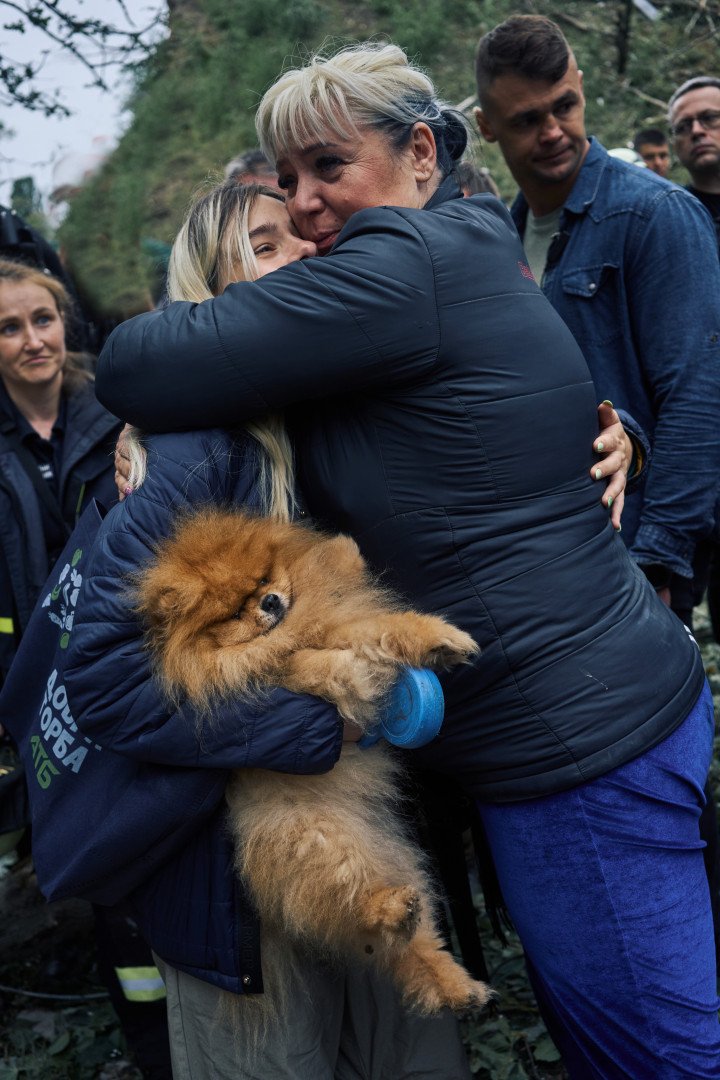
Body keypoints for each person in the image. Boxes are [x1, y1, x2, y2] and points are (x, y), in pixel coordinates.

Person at [80, 41, 720, 1077]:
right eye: (285, 184)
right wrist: (620, 431)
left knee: (656, 1055)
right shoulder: (463, 244)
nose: (308, 205)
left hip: (576, 748)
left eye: (329, 168)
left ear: (420, 153)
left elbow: (134, 362)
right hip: (593, 716)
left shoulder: (401, 265)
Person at [62, 179, 476, 1080]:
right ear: (210, 298)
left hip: (361, 847)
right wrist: (327, 726)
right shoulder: (190, 454)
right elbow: (101, 683)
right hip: (233, 887)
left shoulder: (320, 419)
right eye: (266, 242)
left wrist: (621, 434)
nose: (303, 254)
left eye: (304, 240)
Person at [474, 15, 720, 633]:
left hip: (634, 560)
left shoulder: (654, 215)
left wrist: (660, 562)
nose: (555, 132)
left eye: (566, 106)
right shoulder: (499, 242)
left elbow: (698, 394)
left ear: (580, 85)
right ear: (486, 126)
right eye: (528, 120)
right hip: (544, 558)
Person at [0, 258, 172, 1080]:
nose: (33, 340)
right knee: (100, 878)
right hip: (39, 697)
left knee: (158, 847)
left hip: (130, 672)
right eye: (9, 327)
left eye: (43, 319)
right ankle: (152, 1047)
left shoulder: (118, 410)